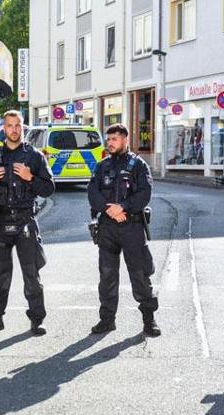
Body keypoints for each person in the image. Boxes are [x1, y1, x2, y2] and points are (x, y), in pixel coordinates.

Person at [0, 110, 55, 336]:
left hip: (24, 222)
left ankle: (37, 319)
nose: (13, 129)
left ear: (23, 127)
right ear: (4, 128)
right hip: (0, 222)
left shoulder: (34, 156)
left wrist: (31, 178)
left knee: (31, 273)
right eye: (9, 125)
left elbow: (49, 188)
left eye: (17, 125)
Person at [87, 123, 160, 337]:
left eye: (114, 139)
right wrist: (110, 211)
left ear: (125, 140)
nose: (110, 143)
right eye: (108, 139)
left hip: (132, 227)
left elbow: (144, 194)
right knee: (107, 276)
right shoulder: (102, 166)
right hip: (108, 228)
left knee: (140, 275)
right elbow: (93, 193)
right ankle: (107, 320)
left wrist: (124, 208)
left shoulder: (138, 166)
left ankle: (149, 320)